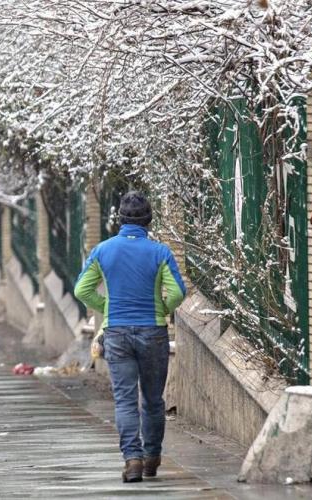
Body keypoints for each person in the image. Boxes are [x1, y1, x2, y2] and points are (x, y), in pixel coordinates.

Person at [74, 191, 186, 483]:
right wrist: (161, 308)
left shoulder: (102, 251)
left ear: (120, 220)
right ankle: (152, 458)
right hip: (153, 332)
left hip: (117, 333)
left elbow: (81, 290)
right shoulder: (160, 252)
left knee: (124, 400)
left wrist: (107, 308)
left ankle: (132, 459)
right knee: (152, 399)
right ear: (149, 221)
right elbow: (177, 293)